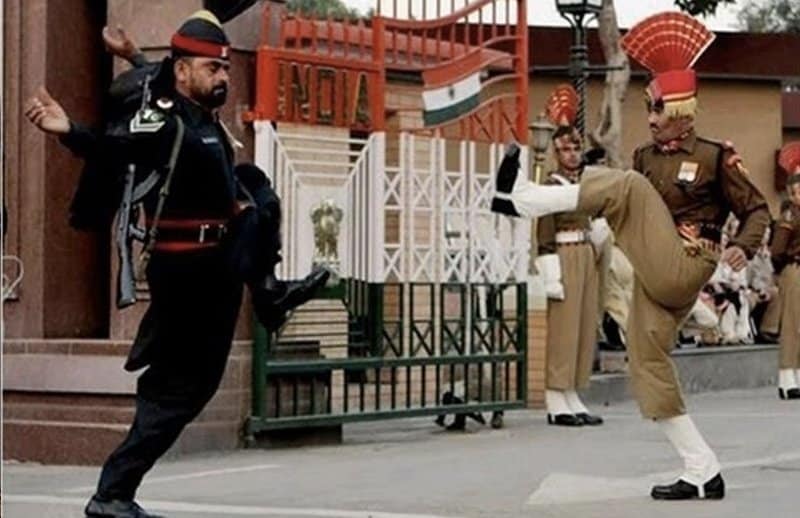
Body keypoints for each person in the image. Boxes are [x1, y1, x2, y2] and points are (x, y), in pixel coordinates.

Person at [25, 11, 327, 517]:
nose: (223, 77)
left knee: (255, 189)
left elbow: (157, 75)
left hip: (217, 264)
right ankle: (112, 494)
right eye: (213, 69)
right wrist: (69, 130)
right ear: (184, 71)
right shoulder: (162, 121)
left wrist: (133, 55)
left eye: (225, 68)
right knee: (180, 391)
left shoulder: (199, 112)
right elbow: (114, 149)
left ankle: (269, 291)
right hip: (188, 272)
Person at [491, 12, 770, 500]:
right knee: (646, 361)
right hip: (653, 265)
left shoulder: (714, 156)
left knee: (630, 186)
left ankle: (526, 201)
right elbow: (626, 211)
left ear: (681, 110)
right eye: (648, 107)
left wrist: (742, 247)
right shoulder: (644, 156)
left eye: (658, 109)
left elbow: (758, 209)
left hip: (687, 263)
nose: (652, 117)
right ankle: (702, 469)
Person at [535, 84, 603, 426]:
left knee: (582, 326)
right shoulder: (551, 185)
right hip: (563, 253)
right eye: (566, 149)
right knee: (563, 328)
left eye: (577, 148)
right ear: (555, 153)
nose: (573, 155)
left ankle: (572, 391)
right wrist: (551, 273)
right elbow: (544, 232)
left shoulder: (584, 184)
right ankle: (555, 395)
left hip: (585, 252)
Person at [772, 143, 800, 400]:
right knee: (791, 324)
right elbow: (778, 249)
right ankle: (786, 377)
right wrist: (783, 269)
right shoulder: (790, 214)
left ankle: (797, 374)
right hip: (794, 268)